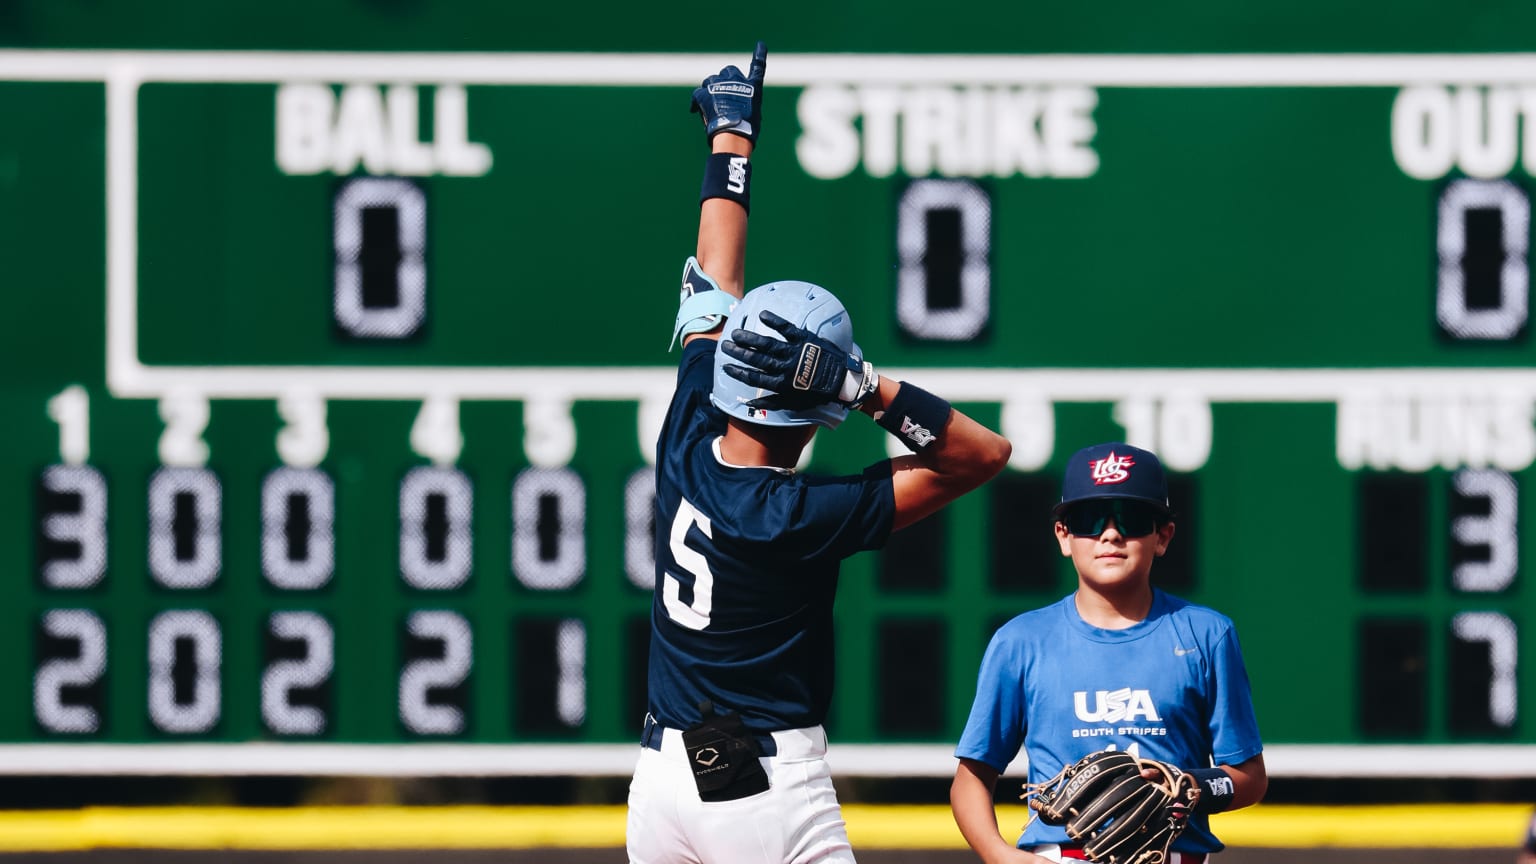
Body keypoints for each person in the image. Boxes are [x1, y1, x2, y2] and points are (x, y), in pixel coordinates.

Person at [625, 42, 1012, 864]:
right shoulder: (794, 516)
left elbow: (713, 279)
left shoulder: (686, 431)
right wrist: (863, 385)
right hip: (760, 787)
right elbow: (981, 456)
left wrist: (731, 137)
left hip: (658, 788)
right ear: (817, 412)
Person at [951, 442, 1267, 864]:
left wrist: (1191, 786)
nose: (1111, 534)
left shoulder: (1207, 634)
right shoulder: (1021, 641)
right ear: (1064, 536)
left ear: (1163, 536)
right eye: (1090, 520)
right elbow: (972, 776)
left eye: (1131, 520)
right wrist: (999, 855)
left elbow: (1249, 778)